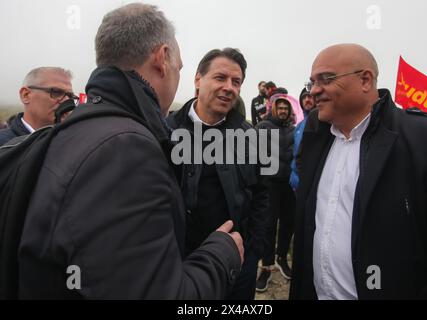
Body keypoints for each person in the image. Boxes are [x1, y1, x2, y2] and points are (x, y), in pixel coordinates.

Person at [19, 3, 243, 299]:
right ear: (163, 59)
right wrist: (220, 255)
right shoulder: (127, 150)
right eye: (180, 67)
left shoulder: (75, 129)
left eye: (237, 82)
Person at [289, 43, 427, 300]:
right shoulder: (315, 136)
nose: (315, 91)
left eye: (326, 79)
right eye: (312, 83)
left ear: (365, 80)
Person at [167, 48, 269, 300]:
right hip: (179, 261)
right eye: (220, 77)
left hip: (238, 262)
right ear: (198, 79)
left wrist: (252, 250)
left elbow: (263, 194)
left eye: (236, 82)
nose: (229, 87)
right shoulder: (165, 132)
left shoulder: (252, 137)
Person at [255, 94, 295, 292]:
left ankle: (281, 258)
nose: (283, 111)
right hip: (269, 184)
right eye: (280, 108)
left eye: (286, 109)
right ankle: (267, 266)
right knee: (268, 226)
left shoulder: (293, 129)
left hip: (288, 185)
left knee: (288, 223)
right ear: (273, 109)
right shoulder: (262, 127)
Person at [0, 67, 76, 146]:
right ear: (26, 95)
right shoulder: (3, 145)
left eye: (70, 96)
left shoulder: (73, 143)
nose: (67, 101)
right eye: (56, 92)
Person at [289, 88, 316, 190]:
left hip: (311, 180)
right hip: (296, 181)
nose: (307, 99)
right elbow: (295, 153)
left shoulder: (321, 121)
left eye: (310, 96)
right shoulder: (299, 126)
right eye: (304, 97)